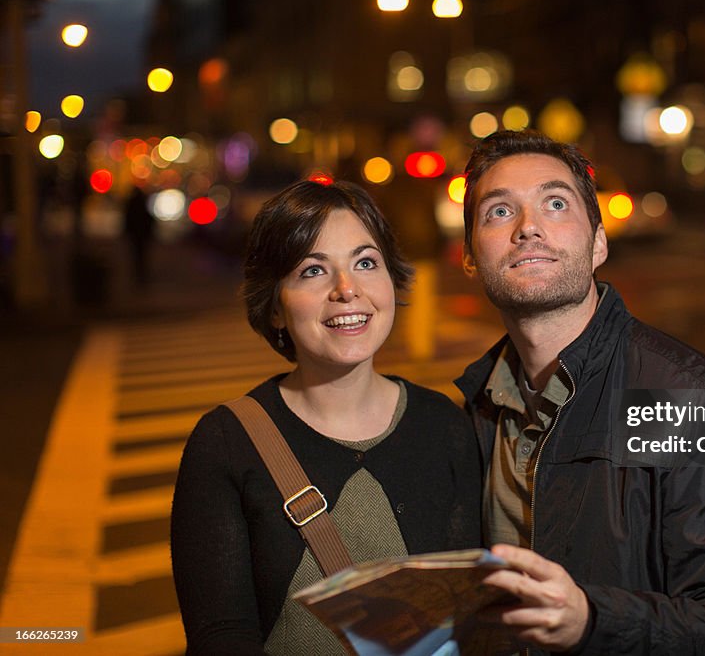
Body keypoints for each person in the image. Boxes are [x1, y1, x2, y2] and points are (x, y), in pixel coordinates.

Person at [455, 130, 705, 654]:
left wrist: (590, 621)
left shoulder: (698, 405)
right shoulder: (475, 407)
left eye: (555, 204)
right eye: (498, 212)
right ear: (470, 256)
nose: (528, 228)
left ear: (599, 243)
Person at [171, 179, 482, 655]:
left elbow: (467, 624)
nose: (347, 289)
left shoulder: (445, 426)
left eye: (365, 262)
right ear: (275, 306)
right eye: (313, 270)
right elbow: (221, 636)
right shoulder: (226, 444)